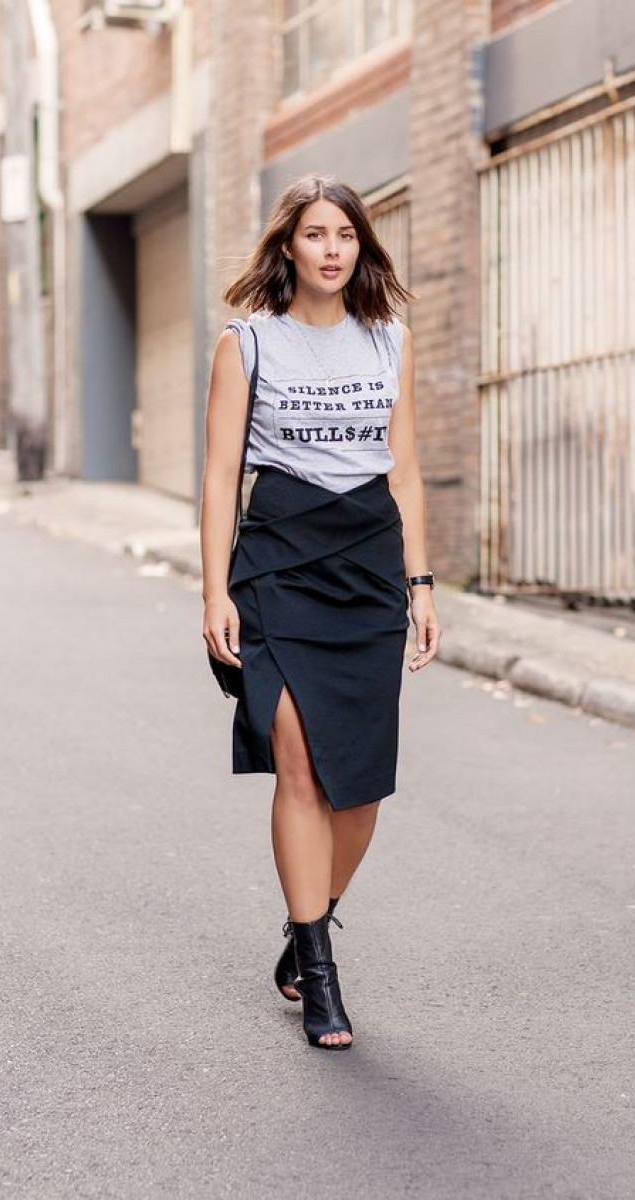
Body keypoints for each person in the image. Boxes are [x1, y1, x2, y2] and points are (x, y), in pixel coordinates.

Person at [200, 174, 440, 1051]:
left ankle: (313, 916)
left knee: (361, 785)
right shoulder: (247, 345)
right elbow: (221, 478)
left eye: (346, 234)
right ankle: (319, 968)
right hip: (279, 563)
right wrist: (212, 589)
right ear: (288, 248)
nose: (333, 249)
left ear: (361, 248)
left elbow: (404, 469)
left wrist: (420, 584)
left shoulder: (390, 341)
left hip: (369, 565)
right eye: (316, 235)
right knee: (299, 764)